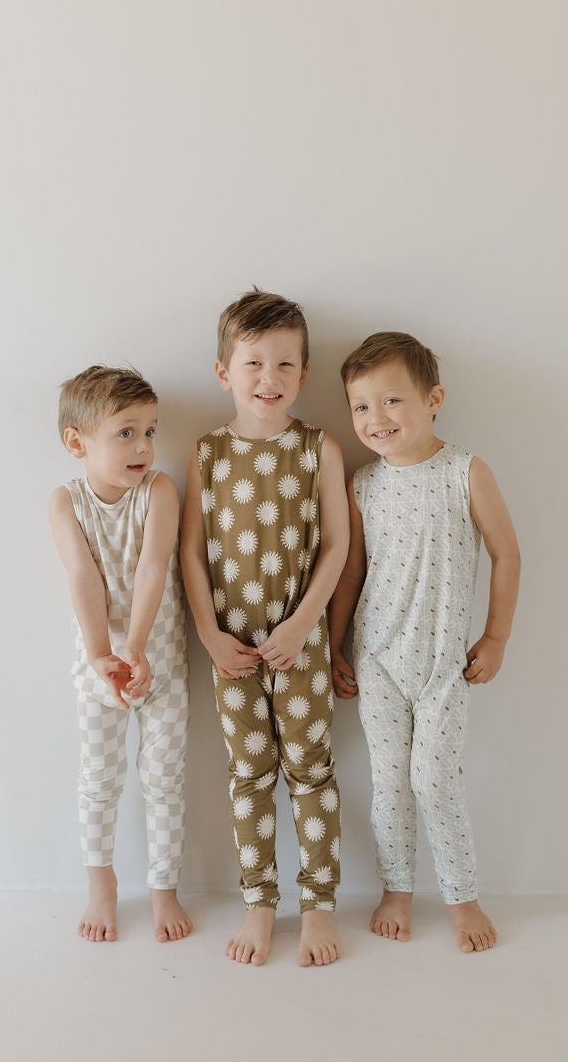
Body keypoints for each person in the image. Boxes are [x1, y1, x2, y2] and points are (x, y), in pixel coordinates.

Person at [328, 331, 520, 953]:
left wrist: (495, 636)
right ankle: (397, 889)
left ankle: (462, 896)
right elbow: (352, 572)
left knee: (433, 780)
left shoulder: (465, 471)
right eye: (361, 406)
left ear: (434, 398)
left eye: (391, 401)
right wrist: (336, 645)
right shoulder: (364, 485)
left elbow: (506, 553)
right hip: (379, 659)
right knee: (389, 781)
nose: (375, 418)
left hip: (443, 663)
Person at [180, 289, 349, 967]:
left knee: (310, 771)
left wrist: (304, 625)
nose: (268, 379)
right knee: (248, 773)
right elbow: (191, 552)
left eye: (284, 365)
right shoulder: (207, 455)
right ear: (224, 371)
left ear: (303, 374)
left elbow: (337, 545)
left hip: (298, 648)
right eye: (253, 363)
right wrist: (210, 635)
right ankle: (259, 901)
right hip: (233, 652)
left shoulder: (318, 450)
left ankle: (320, 905)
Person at [49, 365, 190, 944]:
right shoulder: (65, 502)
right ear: (77, 442)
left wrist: (135, 648)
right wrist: (104, 655)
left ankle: (164, 889)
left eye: (151, 431)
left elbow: (153, 566)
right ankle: (101, 885)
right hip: (98, 663)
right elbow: (83, 579)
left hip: (159, 659)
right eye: (126, 432)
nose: (144, 446)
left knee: (163, 778)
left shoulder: (159, 490)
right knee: (99, 777)